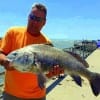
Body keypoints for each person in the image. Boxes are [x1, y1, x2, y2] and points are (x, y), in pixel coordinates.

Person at [0, 3, 53, 100]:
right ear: (28, 17)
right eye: (32, 17)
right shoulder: (13, 32)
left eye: (38, 19)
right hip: (11, 95)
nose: (34, 22)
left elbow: (46, 73)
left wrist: (53, 73)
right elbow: (1, 53)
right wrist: (4, 61)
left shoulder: (47, 44)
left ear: (44, 22)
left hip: (37, 96)